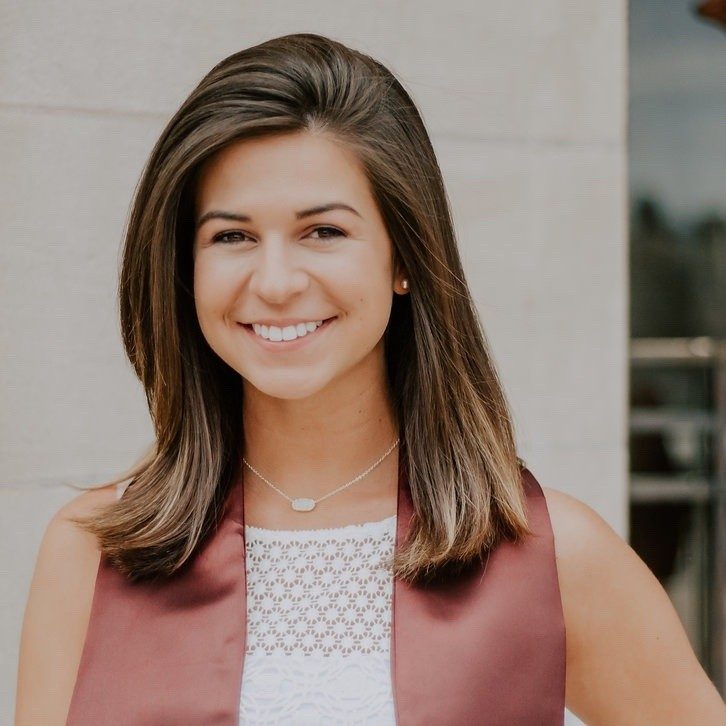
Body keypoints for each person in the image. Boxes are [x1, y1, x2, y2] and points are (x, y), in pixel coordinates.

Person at [15, 32, 726, 725]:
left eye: (323, 231)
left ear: (403, 257)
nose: (276, 281)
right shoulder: (93, 553)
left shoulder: (553, 555)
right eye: (231, 236)